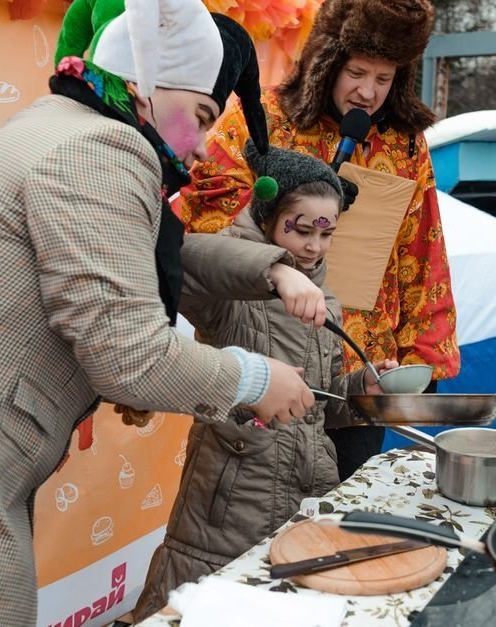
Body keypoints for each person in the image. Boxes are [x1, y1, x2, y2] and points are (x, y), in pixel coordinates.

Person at [0, 3, 318, 624]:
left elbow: (152, 264)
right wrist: (256, 378)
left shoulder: (62, 125)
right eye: (202, 115)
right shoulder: (104, 146)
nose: (203, 145)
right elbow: (131, 356)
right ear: (147, 88)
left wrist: (269, 271)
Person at [177, 0, 460, 480]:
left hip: (359, 366)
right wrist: (284, 214)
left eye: (384, 79)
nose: (367, 92)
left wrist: (423, 358)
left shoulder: (405, 145)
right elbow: (204, 213)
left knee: (341, 516)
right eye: (356, 72)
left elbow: (422, 248)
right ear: (328, 59)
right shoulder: (263, 115)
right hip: (270, 349)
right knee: (255, 505)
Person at [133, 141, 399, 619]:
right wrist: (275, 271)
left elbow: (318, 402)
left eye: (327, 233)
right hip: (232, 504)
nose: (314, 246)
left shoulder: (327, 300)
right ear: (267, 218)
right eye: (300, 230)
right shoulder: (234, 293)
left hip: (308, 491)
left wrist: (361, 389)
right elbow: (180, 257)